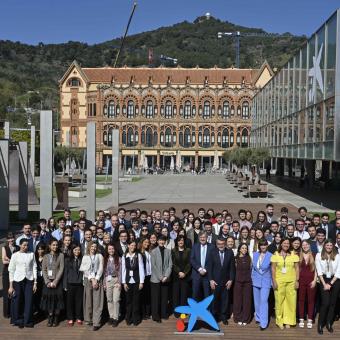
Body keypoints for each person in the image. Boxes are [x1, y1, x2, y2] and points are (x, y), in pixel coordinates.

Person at [8, 238, 37, 328]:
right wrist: (10, 286)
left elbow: (34, 268)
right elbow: (11, 270)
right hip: (17, 280)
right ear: (20, 245)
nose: (26, 247)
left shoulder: (31, 254)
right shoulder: (15, 255)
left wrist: (35, 282)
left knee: (29, 300)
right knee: (17, 300)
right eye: (24, 245)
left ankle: (27, 320)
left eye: (27, 245)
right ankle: (17, 320)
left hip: (29, 280)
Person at [271, 238, 299, 329]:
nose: (286, 245)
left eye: (287, 243)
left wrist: (297, 280)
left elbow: (297, 268)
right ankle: (280, 321)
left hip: (291, 281)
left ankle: (288, 321)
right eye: (284, 243)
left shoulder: (293, 254)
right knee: (279, 301)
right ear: (281, 244)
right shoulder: (276, 254)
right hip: (279, 281)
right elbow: (273, 269)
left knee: (291, 302)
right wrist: (274, 281)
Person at [208, 237, 235, 325]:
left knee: (225, 300)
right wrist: (211, 280)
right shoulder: (212, 252)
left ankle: (223, 317)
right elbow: (210, 267)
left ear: (225, 244)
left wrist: (231, 280)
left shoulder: (230, 252)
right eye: (219, 244)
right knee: (215, 300)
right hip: (215, 281)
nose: (220, 246)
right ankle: (215, 316)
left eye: (222, 244)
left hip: (226, 281)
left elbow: (232, 268)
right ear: (216, 244)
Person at [315, 239, 340, 334]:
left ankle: (329, 323)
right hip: (324, 279)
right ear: (324, 246)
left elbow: (338, 271)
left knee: (333, 303)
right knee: (325, 303)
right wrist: (325, 283)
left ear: (333, 246)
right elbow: (319, 271)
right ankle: (320, 324)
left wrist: (331, 283)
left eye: (330, 245)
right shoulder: (318, 255)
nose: (329, 247)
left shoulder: (337, 256)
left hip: (335, 280)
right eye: (327, 245)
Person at [80, 241, 104, 331]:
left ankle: (96, 322)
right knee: (88, 301)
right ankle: (88, 319)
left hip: (98, 279)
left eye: (95, 246)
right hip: (88, 280)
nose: (93, 248)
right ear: (89, 247)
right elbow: (85, 270)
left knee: (97, 301)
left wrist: (96, 279)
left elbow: (101, 268)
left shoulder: (99, 256)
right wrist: (92, 279)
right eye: (92, 246)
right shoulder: (85, 256)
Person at [41, 238, 65, 327]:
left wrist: (55, 281)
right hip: (48, 282)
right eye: (53, 245)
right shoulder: (46, 256)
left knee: (57, 300)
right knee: (49, 300)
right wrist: (47, 282)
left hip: (57, 282)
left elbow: (61, 269)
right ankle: (50, 316)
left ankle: (56, 317)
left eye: (56, 245)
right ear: (49, 246)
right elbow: (44, 269)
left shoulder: (61, 255)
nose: (55, 246)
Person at [122, 240, 145, 326]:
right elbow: (123, 270)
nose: (133, 247)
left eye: (134, 245)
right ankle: (128, 318)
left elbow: (141, 269)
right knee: (128, 301)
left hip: (136, 281)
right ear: (128, 246)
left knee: (136, 301)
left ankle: (135, 319)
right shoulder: (125, 256)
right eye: (131, 245)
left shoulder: (138, 255)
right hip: (128, 281)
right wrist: (124, 282)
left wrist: (141, 282)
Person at [150, 235, 173, 322]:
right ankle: (156, 316)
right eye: (160, 240)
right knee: (156, 298)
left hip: (166, 279)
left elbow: (170, 265)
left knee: (164, 297)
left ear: (165, 241)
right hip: (156, 278)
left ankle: (163, 313)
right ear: (158, 241)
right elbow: (153, 266)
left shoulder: (168, 251)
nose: (161, 242)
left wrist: (166, 276)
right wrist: (160, 277)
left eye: (163, 240)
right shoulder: (153, 251)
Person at [251, 239, 272, 330]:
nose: (263, 247)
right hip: (255, 280)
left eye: (264, 245)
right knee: (257, 301)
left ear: (267, 246)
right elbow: (252, 268)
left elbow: (272, 270)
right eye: (261, 245)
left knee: (263, 301)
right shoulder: (255, 254)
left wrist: (272, 282)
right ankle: (258, 318)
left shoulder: (271, 255)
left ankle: (263, 323)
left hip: (266, 281)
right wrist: (251, 278)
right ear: (259, 246)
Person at [63, 244, 83, 326]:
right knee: (69, 302)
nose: (77, 251)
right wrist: (65, 285)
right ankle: (70, 318)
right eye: (75, 250)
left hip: (79, 284)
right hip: (70, 283)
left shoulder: (82, 259)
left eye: (78, 250)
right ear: (72, 251)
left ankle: (78, 317)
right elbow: (65, 273)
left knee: (79, 302)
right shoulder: (67, 260)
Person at [298, 240, 316, 329]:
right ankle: (301, 318)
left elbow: (317, 270)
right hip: (301, 281)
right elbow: (296, 269)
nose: (305, 246)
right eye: (303, 245)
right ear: (301, 246)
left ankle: (310, 319)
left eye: (307, 244)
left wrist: (315, 280)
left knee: (311, 300)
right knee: (301, 300)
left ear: (309, 245)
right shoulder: (298, 255)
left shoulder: (314, 255)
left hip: (311, 281)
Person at [233, 243, 252, 325]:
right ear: (239, 249)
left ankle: (246, 319)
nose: (244, 249)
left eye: (246, 248)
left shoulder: (249, 258)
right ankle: (238, 318)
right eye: (243, 248)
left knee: (247, 301)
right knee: (238, 301)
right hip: (238, 282)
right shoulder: (235, 259)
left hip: (247, 282)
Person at [172, 235, 191, 315]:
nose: (180, 242)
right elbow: (173, 263)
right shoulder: (173, 250)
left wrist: (184, 273)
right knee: (176, 294)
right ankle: (177, 311)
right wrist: (179, 272)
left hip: (185, 276)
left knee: (184, 295)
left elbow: (189, 263)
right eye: (179, 240)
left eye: (182, 240)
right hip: (176, 275)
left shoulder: (188, 250)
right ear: (177, 242)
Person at [191, 231, 213, 300]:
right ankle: (195, 310)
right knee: (195, 295)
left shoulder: (212, 247)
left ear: (207, 238)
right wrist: (199, 269)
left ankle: (207, 310)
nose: (202, 239)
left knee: (207, 296)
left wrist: (205, 269)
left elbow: (212, 261)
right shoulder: (195, 246)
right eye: (201, 237)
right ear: (199, 238)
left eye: (204, 237)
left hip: (207, 275)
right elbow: (192, 259)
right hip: (196, 275)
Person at [103, 243, 121, 327]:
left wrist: (119, 282)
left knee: (116, 300)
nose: (111, 250)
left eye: (112, 249)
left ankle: (116, 318)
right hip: (108, 281)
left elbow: (121, 271)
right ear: (107, 250)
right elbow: (103, 273)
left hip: (116, 280)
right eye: (109, 249)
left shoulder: (119, 259)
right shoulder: (105, 259)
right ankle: (111, 316)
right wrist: (104, 283)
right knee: (109, 300)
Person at [2, 232, 18, 318]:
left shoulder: (17, 248)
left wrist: (9, 260)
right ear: (7, 239)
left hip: (16, 273)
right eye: (9, 238)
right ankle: (6, 312)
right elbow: (3, 261)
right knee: (6, 292)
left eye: (12, 238)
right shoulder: (4, 248)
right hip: (6, 272)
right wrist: (13, 261)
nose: (11, 240)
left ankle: (13, 311)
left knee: (14, 292)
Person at [139, 238, 152, 320]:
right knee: (142, 296)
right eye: (145, 242)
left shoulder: (149, 252)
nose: (147, 244)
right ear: (142, 243)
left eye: (148, 242)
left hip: (149, 276)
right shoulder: (139, 253)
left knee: (148, 295)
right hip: (142, 277)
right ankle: (143, 314)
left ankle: (147, 313)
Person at [34, 243, 46, 317]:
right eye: (39, 249)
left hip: (44, 278)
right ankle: (38, 310)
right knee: (37, 295)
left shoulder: (46, 257)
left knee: (43, 295)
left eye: (42, 249)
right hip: (37, 279)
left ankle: (44, 310)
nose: (40, 251)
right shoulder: (34, 257)